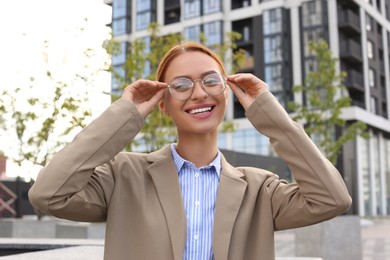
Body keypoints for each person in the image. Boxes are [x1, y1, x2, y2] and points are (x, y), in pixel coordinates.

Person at [29, 42, 351, 260]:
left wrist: (268, 114)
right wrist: (125, 114)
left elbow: (332, 199)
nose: (198, 93)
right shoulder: (123, 176)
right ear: (164, 105)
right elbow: (48, 194)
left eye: (211, 81)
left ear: (226, 94)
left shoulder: (260, 190)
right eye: (181, 86)